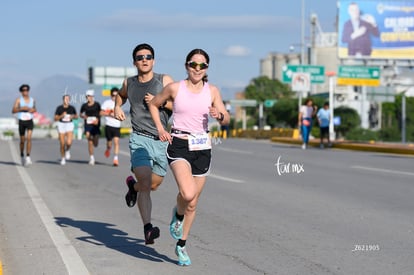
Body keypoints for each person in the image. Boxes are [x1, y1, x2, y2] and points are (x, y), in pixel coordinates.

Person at [148, 48, 230, 266]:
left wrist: (219, 115)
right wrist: (160, 128)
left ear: (206, 69)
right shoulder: (175, 88)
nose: (197, 69)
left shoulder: (212, 91)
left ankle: (181, 245)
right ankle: (178, 212)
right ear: (186, 66)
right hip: (179, 144)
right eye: (194, 64)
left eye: (202, 65)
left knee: (192, 202)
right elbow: (154, 104)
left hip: (202, 146)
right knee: (188, 192)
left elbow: (226, 118)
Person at [114, 43, 174, 245]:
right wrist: (116, 107)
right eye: (140, 57)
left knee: (153, 185)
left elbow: (179, 104)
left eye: (148, 56)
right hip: (139, 138)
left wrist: (160, 102)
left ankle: (133, 187)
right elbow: (120, 96)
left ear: (153, 60)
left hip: (161, 141)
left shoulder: (164, 80)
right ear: (134, 62)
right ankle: (148, 228)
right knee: (147, 183)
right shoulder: (129, 83)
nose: (144, 59)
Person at [12, 84, 36, 166]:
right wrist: (22, 108)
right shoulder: (18, 100)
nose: (25, 92)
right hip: (22, 121)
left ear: (28, 91)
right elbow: (13, 110)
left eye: (26, 90)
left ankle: (28, 156)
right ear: (21, 92)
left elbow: (35, 109)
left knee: (29, 138)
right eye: (23, 90)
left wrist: (32, 110)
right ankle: (22, 155)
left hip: (29, 121)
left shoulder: (32, 100)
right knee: (22, 140)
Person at [54, 94, 78, 165]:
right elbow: (55, 118)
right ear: (63, 100)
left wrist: (72, 116)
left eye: (68, 99)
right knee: (62, 143)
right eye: (65, 99)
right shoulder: (59, 108)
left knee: (69, 142)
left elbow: (76, 116)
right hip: (61, 124)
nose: (67, 100)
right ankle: (63, 158)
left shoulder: (72, 108)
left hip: (69, 124)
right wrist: (61, 115)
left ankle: (67, 150)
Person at [100, 87, 121, 166]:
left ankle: (115, 159)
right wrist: (109, 114)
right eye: (113, 95)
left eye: (116, 95)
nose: (114, 97)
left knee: (116, 142)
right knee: (109, 143)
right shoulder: (107, 103)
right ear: (110, 95)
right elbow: (101, 113)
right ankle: (108, 149)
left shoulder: (120, 103)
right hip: (109, 125)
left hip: (117, 126)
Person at [80, 89, 101, 165]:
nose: (88, 97)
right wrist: (83, 116)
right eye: (87, 96)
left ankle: (95, 141)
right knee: (89, 140)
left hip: (95, 125)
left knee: (95, 143)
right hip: (88, 124)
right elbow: (81, 114)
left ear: (92, 96)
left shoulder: (97, 104)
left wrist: (98, 120)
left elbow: (100, 113)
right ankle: (91, 158)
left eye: (89, 96)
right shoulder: (84, 105)